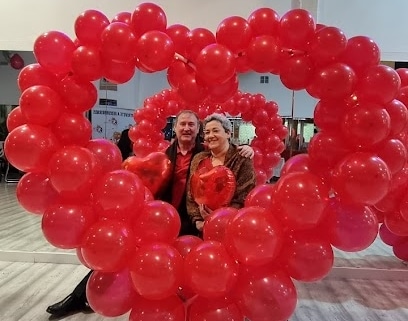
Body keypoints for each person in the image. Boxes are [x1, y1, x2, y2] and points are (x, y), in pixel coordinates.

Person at [46, 110, 254, 317]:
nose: (187, 128)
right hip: (159, 217)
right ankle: (79, 297)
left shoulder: (205, 154)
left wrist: (246, 148)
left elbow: (226, 163)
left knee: (196, 267)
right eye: (182, 124)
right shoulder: (163, 156)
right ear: (175, 128)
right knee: (120, 249)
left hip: (191, 220)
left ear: (198, 130)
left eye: (192, 125)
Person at [186, 113, 256, 231]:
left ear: (228, 133)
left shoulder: (241, 159)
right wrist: (198, 220)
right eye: (207, 132)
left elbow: (244, 196)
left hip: (231, 226)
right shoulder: (198, 159)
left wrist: (218, 218)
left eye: (215, 131)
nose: (210, 135)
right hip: (201, 227)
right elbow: (191, 193)